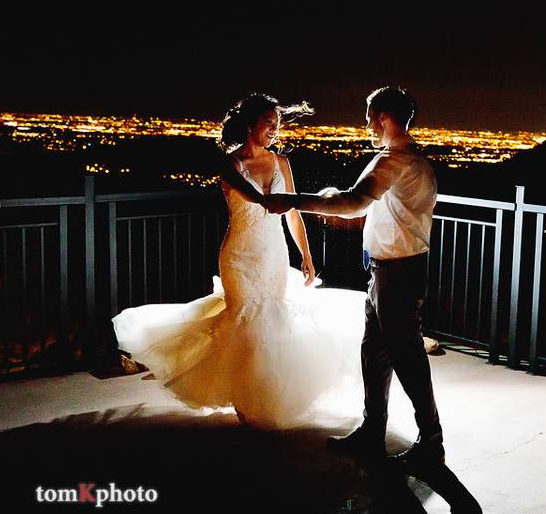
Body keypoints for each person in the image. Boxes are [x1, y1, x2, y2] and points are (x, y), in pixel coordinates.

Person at [111, 93, 367, 430]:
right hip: (239, 256)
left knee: (270, 324)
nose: (275, 130)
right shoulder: (230, 164)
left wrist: (305, 253)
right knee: (244, 324)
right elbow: (257, 199)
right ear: (250, 125)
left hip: (274, 253)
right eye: (268, 124)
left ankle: (265, 395)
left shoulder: (282, 163)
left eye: (278, 125)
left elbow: (291, 213)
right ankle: (245, 401)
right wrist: (275, 201)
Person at [262, 86, 444, 470]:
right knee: (375, 355)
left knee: (407, 359)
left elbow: (353, 202)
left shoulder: (392, 162)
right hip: (395, 271)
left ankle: (431, 442)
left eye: (368, 117)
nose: (365, 125)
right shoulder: (419, 163)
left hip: (395, 275)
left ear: (383, 118)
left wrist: (296, 201)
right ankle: (372, 431)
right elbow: (377, 208)